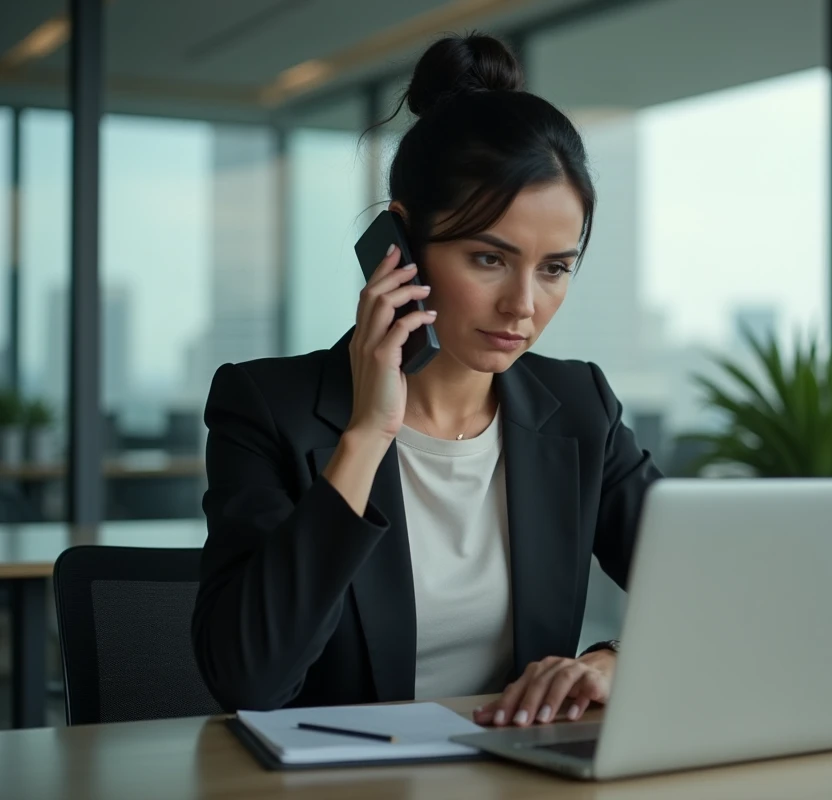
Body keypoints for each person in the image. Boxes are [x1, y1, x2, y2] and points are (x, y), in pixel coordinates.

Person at [191, 33, 662, 730]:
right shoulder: (268, 409)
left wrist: (609, 664)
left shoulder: (578, 409)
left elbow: (713, 596)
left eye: (555, 267)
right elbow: (249, 678)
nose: (523, 306)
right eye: (488, 258)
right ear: (400, 244)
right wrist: (365, 437)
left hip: (519, 778)